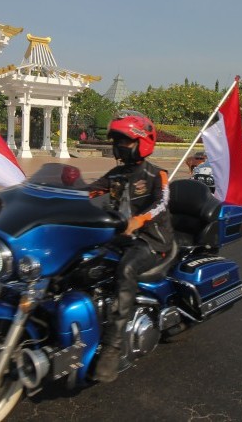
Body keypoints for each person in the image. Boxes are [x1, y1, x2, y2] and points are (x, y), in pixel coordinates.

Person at [88, 112, 174, 383]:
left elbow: (161, 204)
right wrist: (59, 194)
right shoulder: (116, 173)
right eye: (117, 140)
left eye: (125, 140)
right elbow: (88, 191)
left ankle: (112, 348)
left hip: (151, 240)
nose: (119, 146)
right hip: (121, 238)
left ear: (142, 143)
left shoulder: (155, 174)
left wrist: (139, 219)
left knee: (125, 270)